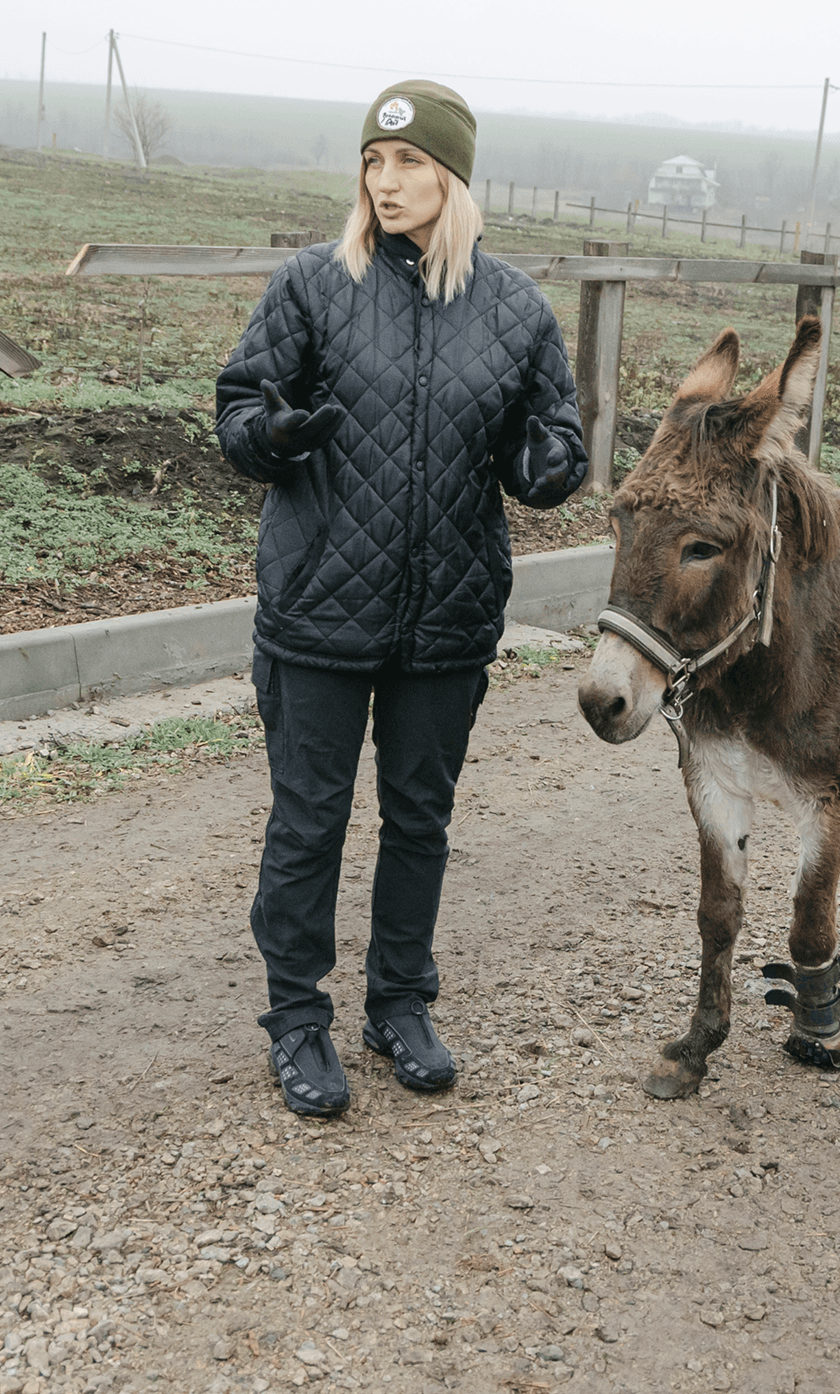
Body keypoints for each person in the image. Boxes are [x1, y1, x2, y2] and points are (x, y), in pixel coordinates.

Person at [214, 81, 587, 1118]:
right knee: (310, 822)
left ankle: (400, 1002)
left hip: (447, 617)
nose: (386, 181)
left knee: (420, 818)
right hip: (319, 609)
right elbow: (239, 409)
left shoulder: (516, 309)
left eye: (410, 162)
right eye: (373, 163)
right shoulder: (311, 284)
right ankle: (298, 1015)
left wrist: (548, 464)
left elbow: (552, 439)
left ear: (452, 175)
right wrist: (271, 435)